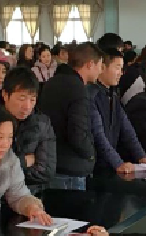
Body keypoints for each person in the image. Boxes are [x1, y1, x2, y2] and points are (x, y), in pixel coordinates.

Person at [89, 49, 146, 173]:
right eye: (117, 68)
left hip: (109, 162)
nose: (120, 73)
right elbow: (98, 136)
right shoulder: (92, 95)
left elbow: (126, 128)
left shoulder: (113, 95)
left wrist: (141, 157)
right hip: (95, 163)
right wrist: (118, 163)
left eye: (122, 68)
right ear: (102, 67)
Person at [40, 42, 103, 188]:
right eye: (100, 65)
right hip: (71, 169)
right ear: (90, 64)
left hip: (51, 161)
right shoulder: (78, 89)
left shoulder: (51, 83)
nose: (100, 71)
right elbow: (78, 132)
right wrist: (91, 154)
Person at [0, 67, 56, 186]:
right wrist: (24, 161)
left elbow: (46, 172)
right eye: (21, 98)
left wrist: (8, 169)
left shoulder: (41, 123)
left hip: (29, 196)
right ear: (5, 95)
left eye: (32, 100)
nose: (27, 106)